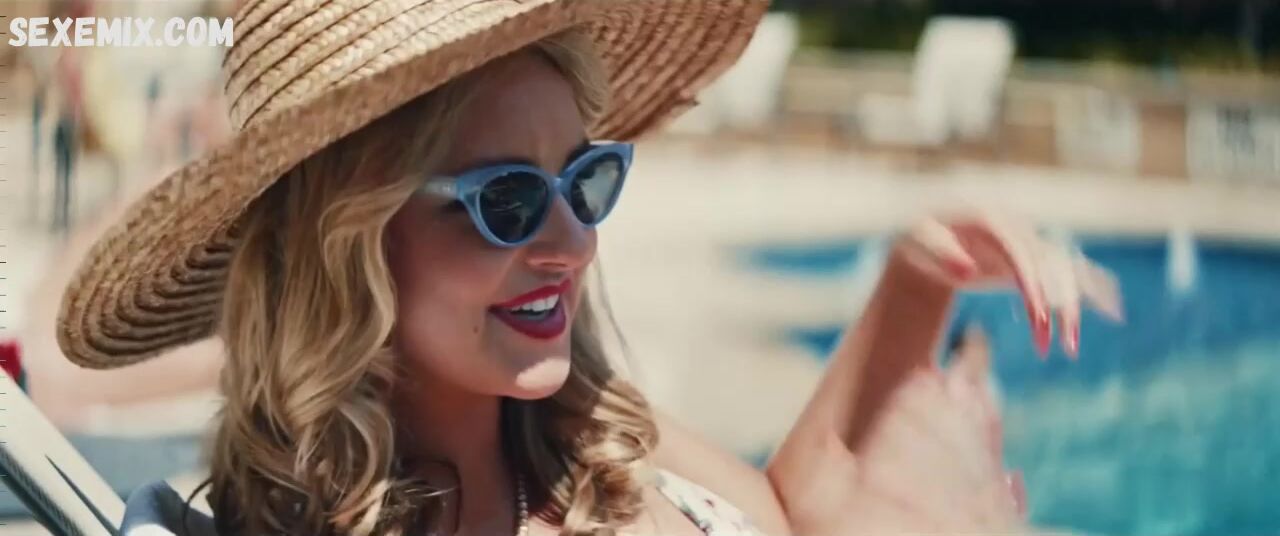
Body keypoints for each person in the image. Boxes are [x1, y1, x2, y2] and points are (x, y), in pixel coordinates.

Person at [55, 1, 1122, 535]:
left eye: (587, 178)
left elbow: (783, 511)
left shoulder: (584, 433)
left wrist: (913, 283)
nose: (571, 241)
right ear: (347, 241)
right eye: (506, 201)